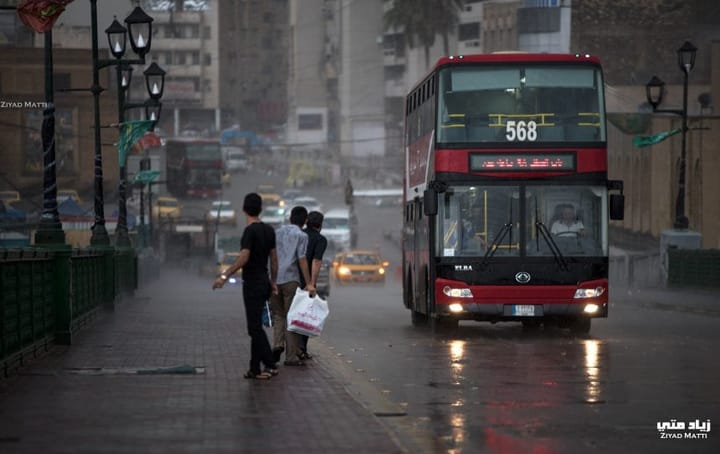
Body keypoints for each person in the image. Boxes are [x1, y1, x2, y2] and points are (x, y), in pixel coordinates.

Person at [212, 193, 279, 380]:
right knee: (256, 325)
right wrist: (273, 281)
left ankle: (270, 364)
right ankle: (254, 368)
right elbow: (274, 259)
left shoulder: (249, 232)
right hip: (264, 281)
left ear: (243, 209)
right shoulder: (269, 230)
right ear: (261, 209)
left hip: (252, 284)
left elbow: (244, 257)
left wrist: (224, 276)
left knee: (254, 328)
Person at [270, 206, 315, 366]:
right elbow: (302, 259)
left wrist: (272, 279)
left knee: (278, 316)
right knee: (291, 318)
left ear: (290, 218)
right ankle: (291, 357)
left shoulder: (276, 233)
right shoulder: (301, 235)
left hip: (274, 279)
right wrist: (309, 283)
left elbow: (272, 256)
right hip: (291, 279)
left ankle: (277, 345)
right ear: (305, 221)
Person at [298, 210, 328, 360]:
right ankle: (301, 349)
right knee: (304, 315)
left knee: (290, 314)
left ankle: (291, 348)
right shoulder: (320, 239)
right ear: (320, 225)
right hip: (305, 282)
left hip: (291, 278)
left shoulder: (299, 235)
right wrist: (312, 284)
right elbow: (316, 261)